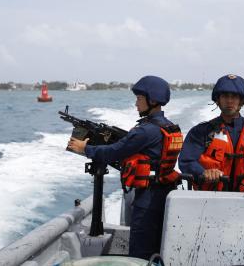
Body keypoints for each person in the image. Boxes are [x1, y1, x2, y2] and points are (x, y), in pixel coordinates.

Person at [67, 75, 182, 260]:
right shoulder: (169, 127)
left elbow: (114, 152)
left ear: (152, 101)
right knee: (156, 247)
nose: (136, 104)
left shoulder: (145, 130)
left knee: (140, 251)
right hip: (164, 193)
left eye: (139, 99)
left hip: (148, 200)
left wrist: (85, 148)